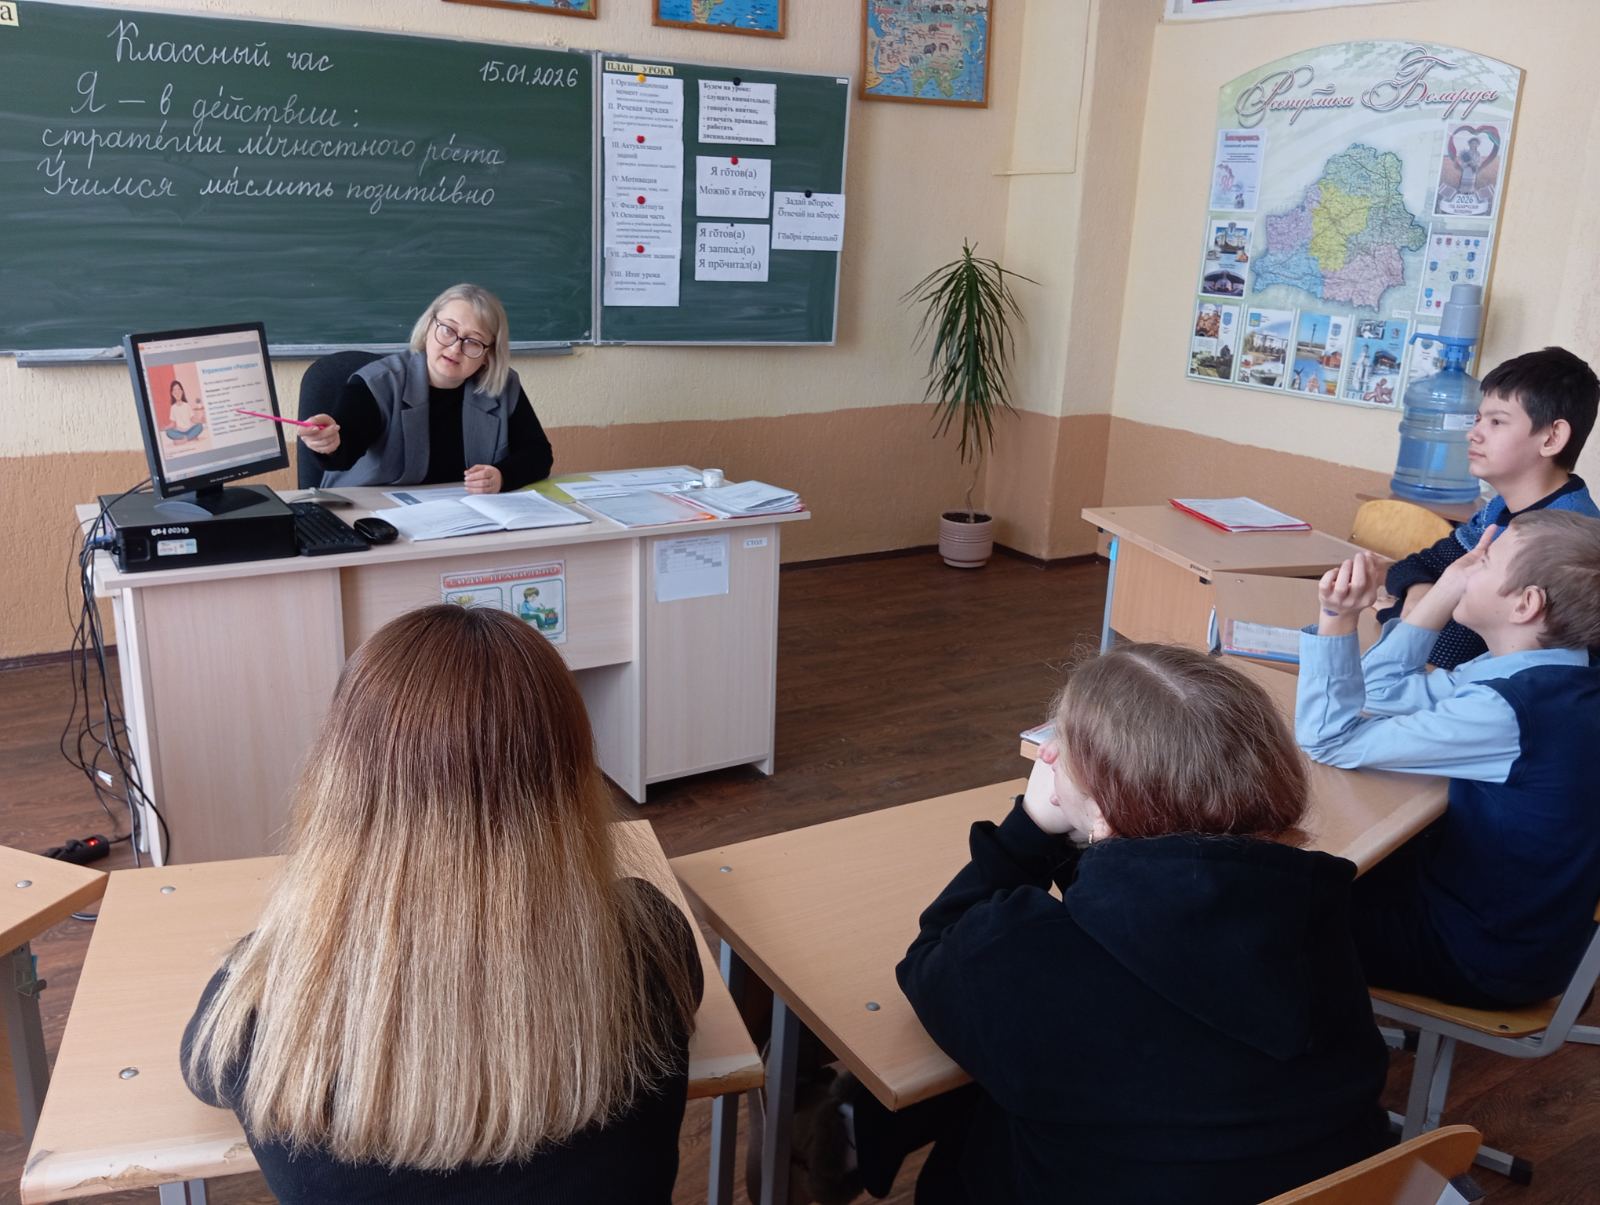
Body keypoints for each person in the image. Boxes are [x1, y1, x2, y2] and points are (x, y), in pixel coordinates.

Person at [804, 645, 1390, 1205]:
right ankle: (860, 1126)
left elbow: (935, 956)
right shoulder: (1313, 913)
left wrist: (1029, 830)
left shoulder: (1022, 955)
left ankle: (856, 1129)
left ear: (1105, 813)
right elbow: (1153, 919)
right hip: (1327, 1189)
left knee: (988, 1071)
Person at [180, 604, 702, 1203]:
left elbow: (203, 1073)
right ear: (574, 778)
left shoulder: (259, 1010)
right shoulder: (653, 954)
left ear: (338, 782)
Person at [1299, 512, 1600, 1008]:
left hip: (1478, 953)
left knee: (1266, 911)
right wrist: (1447, 587)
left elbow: (1330, 738)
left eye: (1485, 560)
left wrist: (1337, 618)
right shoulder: (1549, 669)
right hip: (1509, 920)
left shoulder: (1508, 710)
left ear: (1525, 605)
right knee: (1310, 875)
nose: (1465, 565)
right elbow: (1378, 694)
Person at [1384, 346, 1599, 669]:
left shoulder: (1566, 536)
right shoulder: (1498, 508)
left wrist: (1396, 611)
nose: (1473, 434)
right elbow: (1416, 564)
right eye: (1478, 419)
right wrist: (1417, 595)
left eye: (1497, 422)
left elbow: (1456, 651)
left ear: (1552, 437)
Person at [299, 283, 554, 494]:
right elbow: (344, 451)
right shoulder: (379, 382)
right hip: (370, 516)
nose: (455, 348)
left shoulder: (502, 387)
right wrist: (330, 443)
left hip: (460, 518)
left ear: (488, 355)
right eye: (448, 330)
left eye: (473, 341)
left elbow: (538, 455)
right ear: (429, 326)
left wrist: (502, 476)